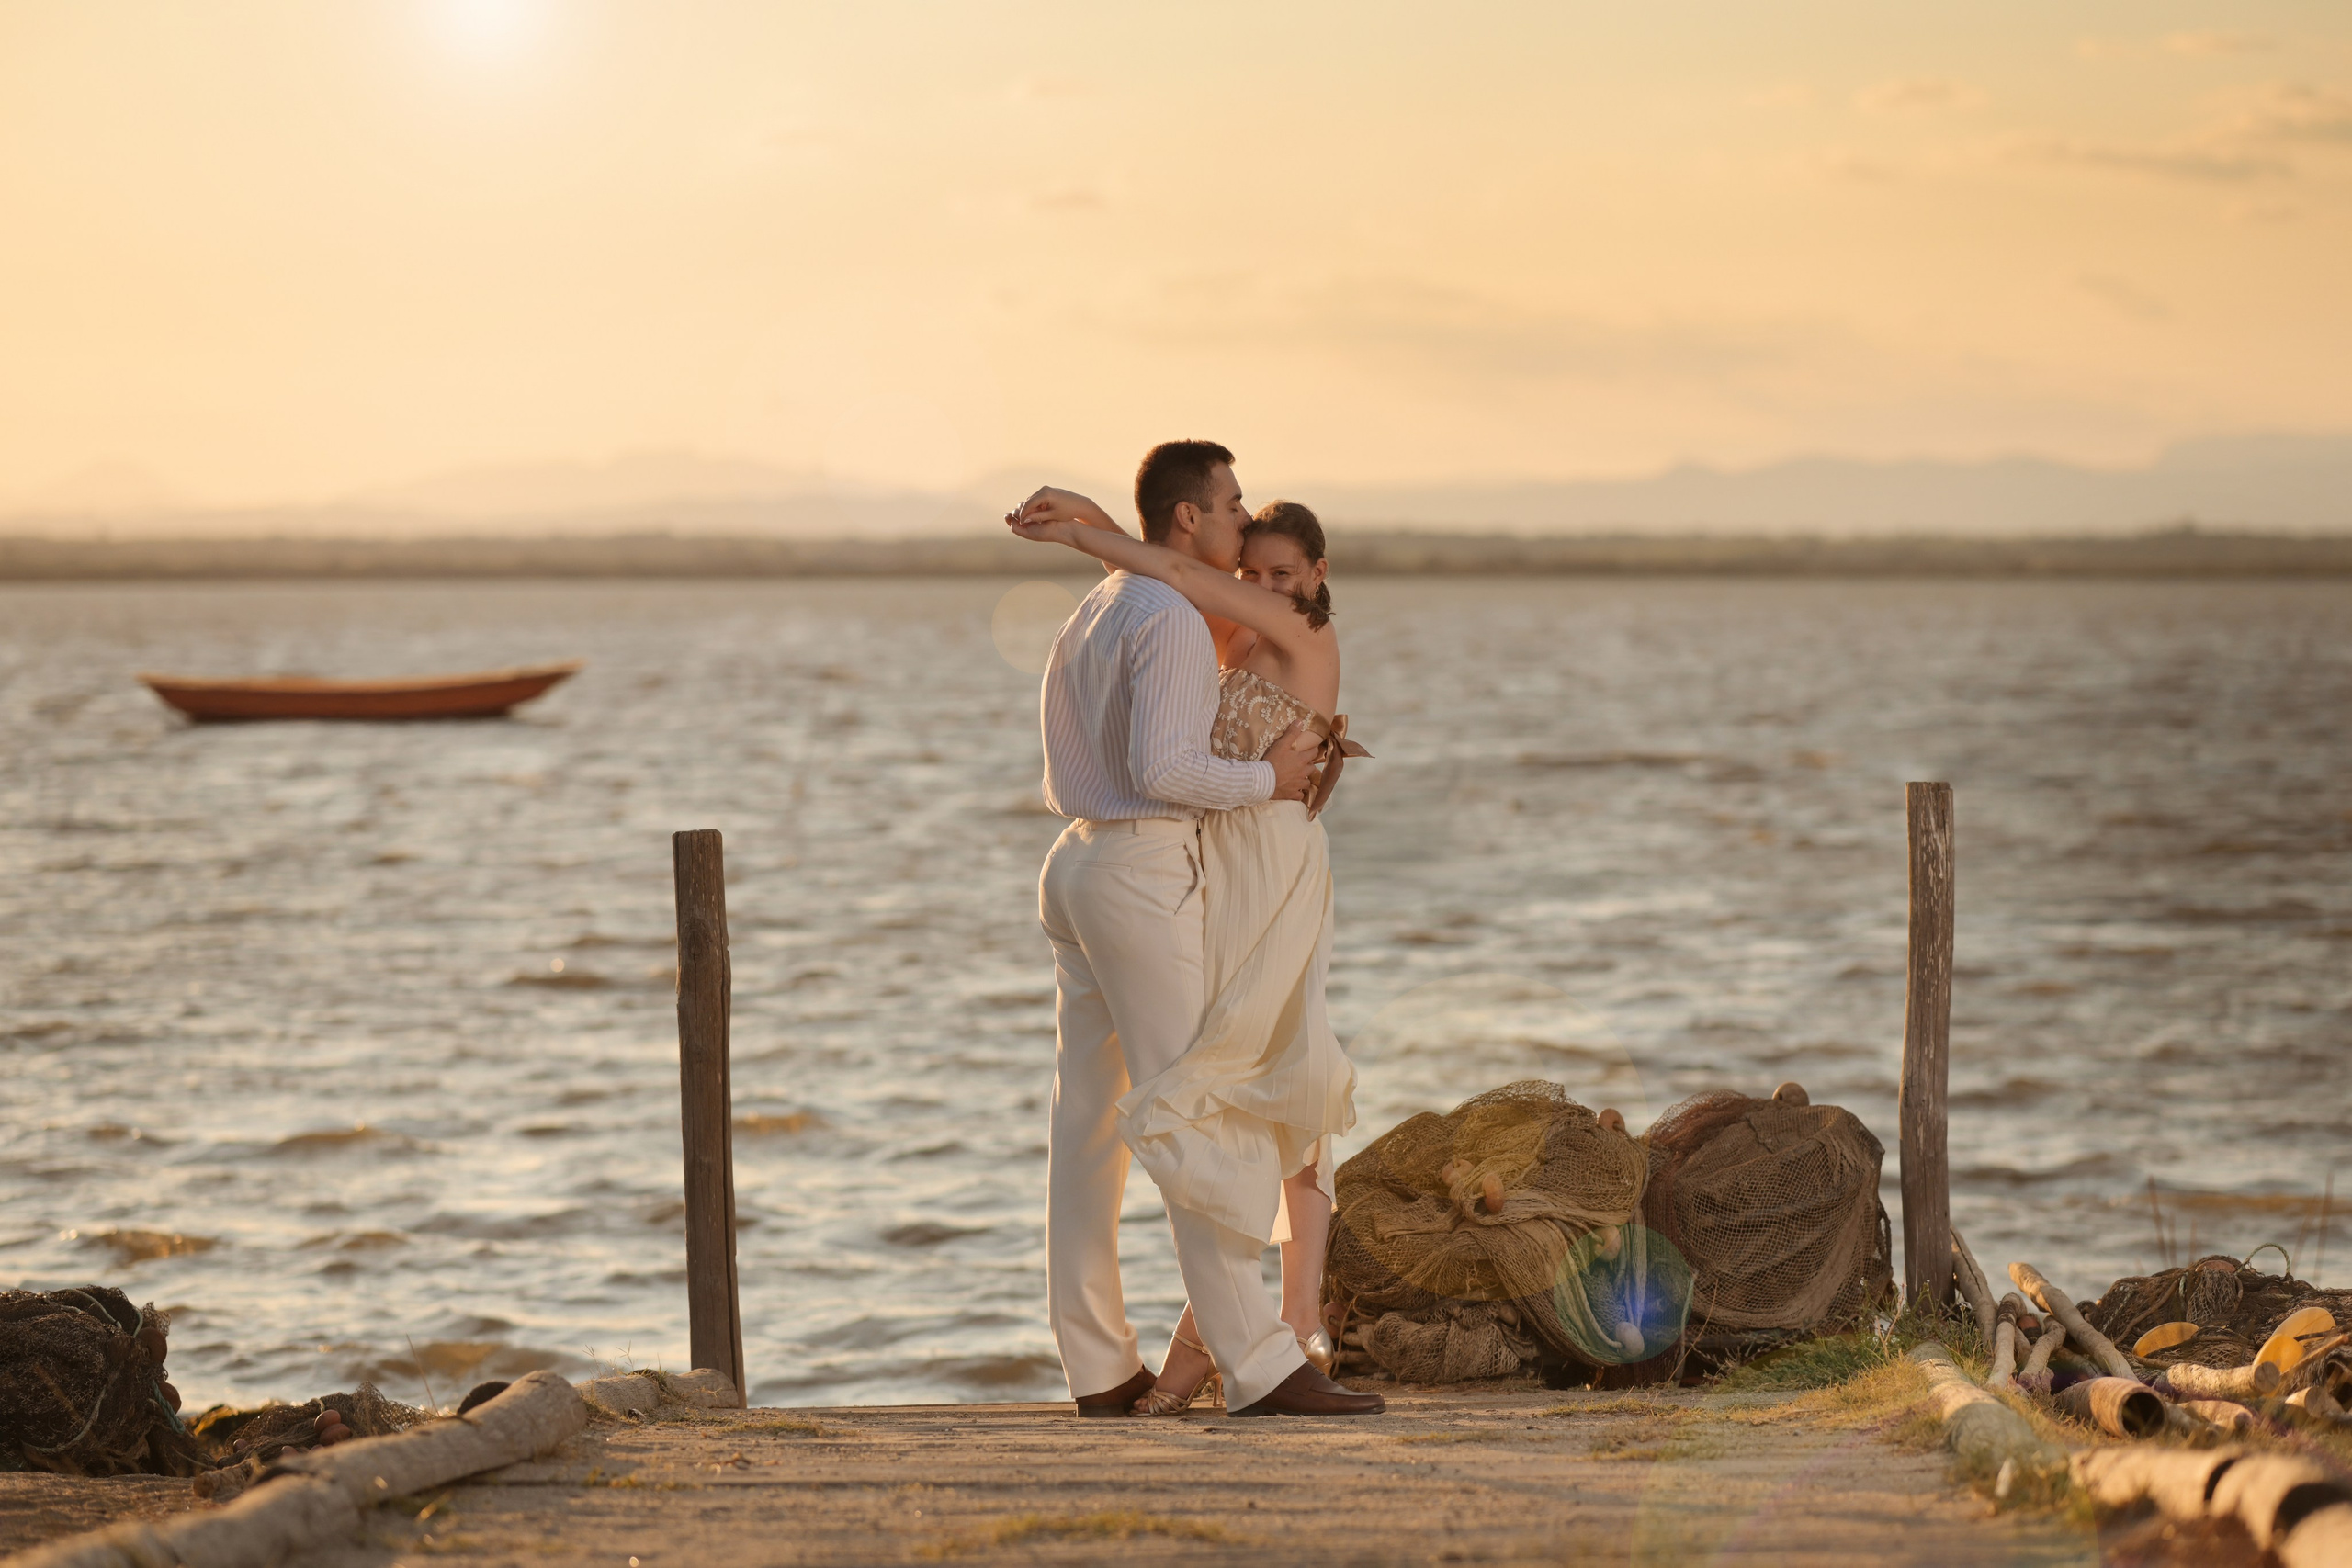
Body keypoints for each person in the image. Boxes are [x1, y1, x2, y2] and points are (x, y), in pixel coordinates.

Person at [1012, 443, 1380, 1419]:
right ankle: (1259, 1364)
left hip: (1076, 864)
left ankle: (1098, 1366)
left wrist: (1095, 533)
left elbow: (1156, 580)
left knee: (1089, 1126)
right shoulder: (1170, 612)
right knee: (1191, 1109)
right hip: (1138, 870)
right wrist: (1269, 780)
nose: (1238, 517)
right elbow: (1168, 764)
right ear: (1190, 520)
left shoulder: (1103, 607)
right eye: (1228, 506)